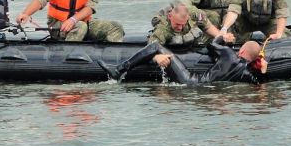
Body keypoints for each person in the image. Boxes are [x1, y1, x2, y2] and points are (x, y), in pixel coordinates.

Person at [98, 37, 265, 85]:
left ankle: (119, 70)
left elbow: (211, 44)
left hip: (189, 81)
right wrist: (263, 67)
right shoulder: (246, 73)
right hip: (201, 89)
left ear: (242, 51)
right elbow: (258, 82)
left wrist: (223, 38)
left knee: (156, 45)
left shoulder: (229, 54)